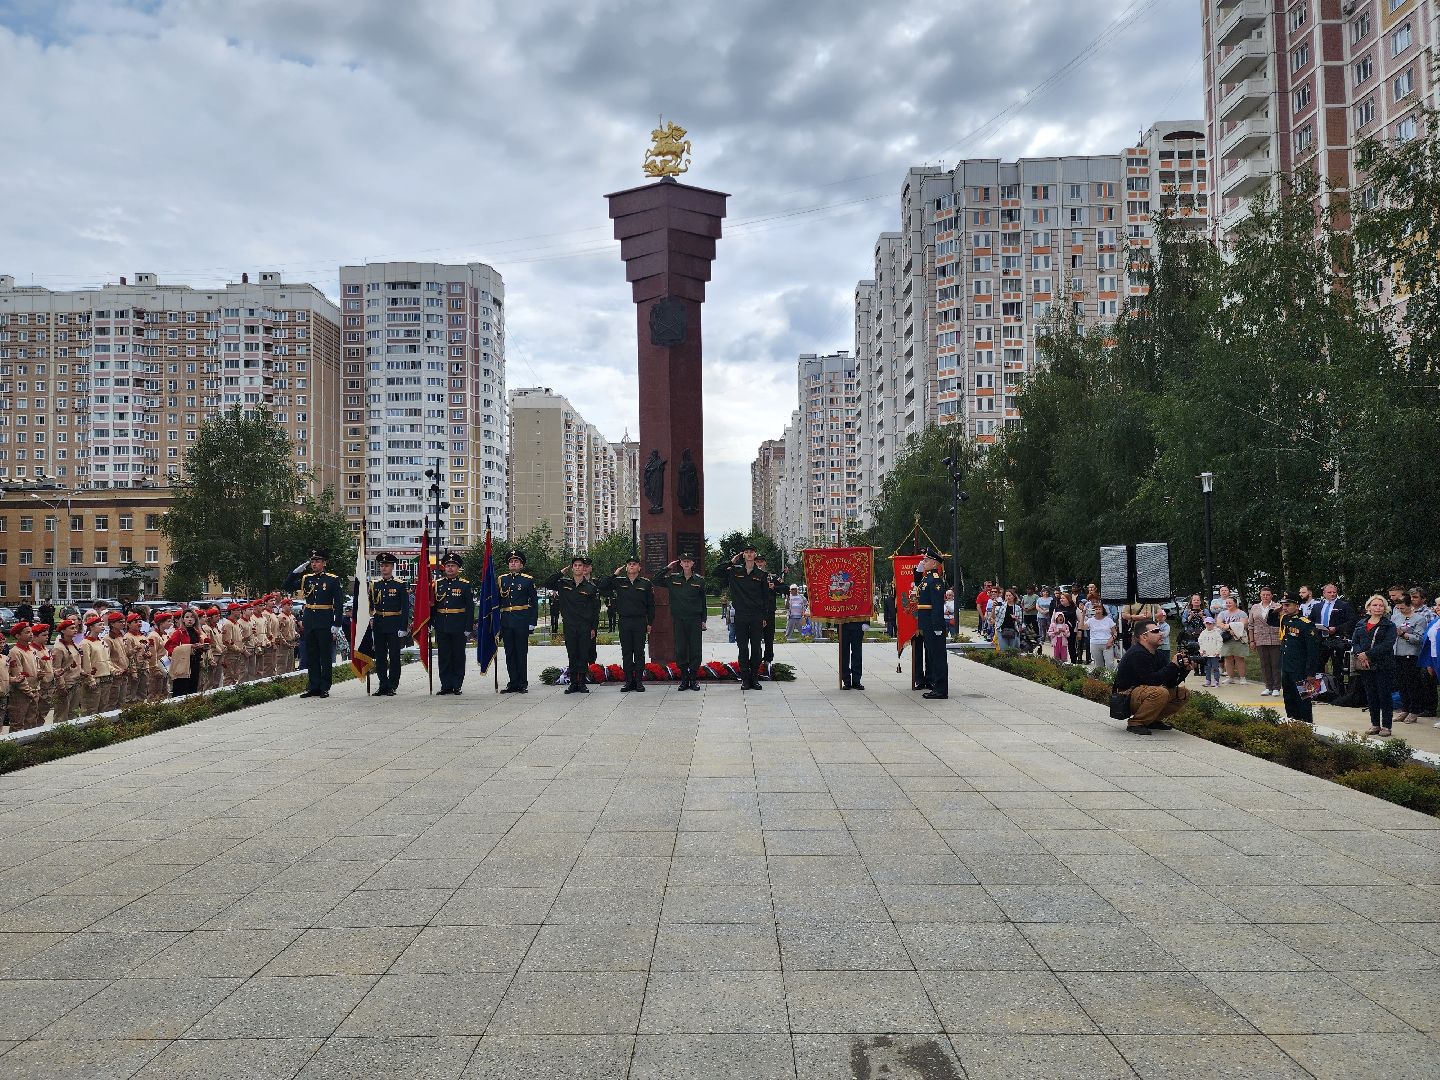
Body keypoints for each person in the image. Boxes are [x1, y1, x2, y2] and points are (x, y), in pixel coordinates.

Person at [283, 550, 345, 699]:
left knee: (325, 655)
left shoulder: (332, 579)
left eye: (317, 561)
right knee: (312, 655)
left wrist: (337, 623)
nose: (314, 564)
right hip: (310, 621)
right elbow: (287, 586)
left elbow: (339, 603)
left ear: (324, 563)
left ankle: (324, 686)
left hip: (325, 621)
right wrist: (296, 571)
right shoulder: (307, 578)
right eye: (312, 562)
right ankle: (313, 686)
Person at [1114, 618, 1193, 735]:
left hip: (1143, 692)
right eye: (1155, 631)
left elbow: (1170, 682)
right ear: (1143, 637)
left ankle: (1152, 719)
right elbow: (1152, 680)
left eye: (1160, 630)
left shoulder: (1158, 654)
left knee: (1182, 694)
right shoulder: (1137, 653)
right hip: (1125, 696)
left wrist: (1183, 670)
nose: (1160, 633)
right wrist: (1173, 665)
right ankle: (1136, 723)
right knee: (1160, 692)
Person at [719, 543, 774, 690]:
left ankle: (754, 677)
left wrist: (764, 617)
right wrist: (732, 561)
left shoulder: (761, 575)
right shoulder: (735, 571)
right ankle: (745, 679)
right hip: (741, 615)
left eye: (752, 552)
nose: (749, 554)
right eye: (747, 552)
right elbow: (717, 572)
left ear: (755, 555)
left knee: (756, 648)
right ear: (743, 555)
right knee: (742, 648)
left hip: (756, 616)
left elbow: (765, 598)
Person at [545, 556, 602, 694]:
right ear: (572, 568)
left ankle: (582, 683)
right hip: (570, 625)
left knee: (583, 654)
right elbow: (547, 583)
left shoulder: (591, 587)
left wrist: (593, 628)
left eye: (580, 565)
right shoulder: (564, 584)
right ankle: (573, 683)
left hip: (585, 626)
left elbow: (595, 610)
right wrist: (560, 573)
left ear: (584, 569)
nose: (577, 567)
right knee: (572, 653)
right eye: (575, 565)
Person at [599, 555, 656, 692]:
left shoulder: (645, 583)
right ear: (626, 567)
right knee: (626, 652)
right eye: (629, 564)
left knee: (639, 652)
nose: (632, 566)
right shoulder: (619, 582)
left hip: (639, 621)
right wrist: (614, 574)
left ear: (639, 567)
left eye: (634, 564)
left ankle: (638, 682)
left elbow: (651, 605)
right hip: (624, 620)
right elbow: (601, 586)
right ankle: (629, 680)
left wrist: (650, 622)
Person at [654, 554, 708, 690]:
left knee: (695, 649)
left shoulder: (699, 581)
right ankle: (684, 678)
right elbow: (655, 580)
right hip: (679, 619)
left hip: (695, 619)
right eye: (684, 561)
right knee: (681, 648)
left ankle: (693, 679)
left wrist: (703, 620)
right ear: (681, 564)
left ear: (693, 563)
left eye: (689, 561)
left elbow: (703, 602)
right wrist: (667, 568)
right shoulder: (673, 579)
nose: (687, 563)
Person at [1351, 594, 1397, 737]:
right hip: (1365, 666)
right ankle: (1375, 724)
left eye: (1381, 605)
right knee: (1371, 695)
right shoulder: (1361, 624)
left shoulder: (1389, 625)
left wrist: (1368, 655)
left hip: (1383, 664)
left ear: (1385, 608)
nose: (1378, 607)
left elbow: (1388, 644)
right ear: (1368, 607)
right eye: (1375, 605)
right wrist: (1360, 654)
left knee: (1384, 695)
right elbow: (1355, 642)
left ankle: (1387, 726)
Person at [429, 552, 474, 695]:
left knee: (458, 656)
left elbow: (470, 608)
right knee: (444, 656)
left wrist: (468, 627)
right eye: (448, 566)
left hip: (459, 625)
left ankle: (457, 684)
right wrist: (430, 622)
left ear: (458, 568)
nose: (450, 568)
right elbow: (432, 606)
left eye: (453, 566)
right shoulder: (437, 584)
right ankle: (445, 685)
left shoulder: (465, 585)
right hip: (442, 625)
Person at [367, 552, 410, 697]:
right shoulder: (374, 584)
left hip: (394, 623)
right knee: (380, 656)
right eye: (382, 565)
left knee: (394, 656)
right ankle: (382, 684)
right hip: (379, 624)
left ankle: (392, 685)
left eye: (387, 565)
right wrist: (369, 618)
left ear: (392, 567)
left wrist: (403, 627)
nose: (384, 568)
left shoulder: (399, 585)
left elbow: (405, 608)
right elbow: (370, 605)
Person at [497, 549, 539, 694]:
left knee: (521, 652)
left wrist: (532, 621)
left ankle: (522, 682)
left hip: (521, 620)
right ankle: (512, 682)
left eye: (516, 561)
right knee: (509, 653)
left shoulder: (527, 580)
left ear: (521, 565)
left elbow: (534, 602)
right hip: (506, 621)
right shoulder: (502, 579)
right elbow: (497, 602)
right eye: (511, 561)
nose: (513, 563)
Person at [1278, 592, 1322, 724]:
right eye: (1283, 605)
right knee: (1289, 698)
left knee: (1303, 700)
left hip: (1301, 670)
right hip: (1287, 667)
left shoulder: (1306, 624)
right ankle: (1292, 722)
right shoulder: (1286, 620)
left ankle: (1306, 725)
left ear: (1297, 606)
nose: (1284, 608)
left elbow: (1313, 651)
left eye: (1287, 605)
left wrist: (1310, 673)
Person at [912, 547, 949, 699]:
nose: (923, 562)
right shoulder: (927, 579)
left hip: (933, 625)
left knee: (938, 657)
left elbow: (937, 605)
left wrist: (937, 626)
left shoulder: (936, 581)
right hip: (927, 623)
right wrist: (918, 570)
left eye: (926, 561)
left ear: (934, 563)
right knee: (933, 656)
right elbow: (919, 586)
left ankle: (941, 690)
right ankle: (936, 686)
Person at [1391, 592, 1430, 725]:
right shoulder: (1396, 617)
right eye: (1399, 608)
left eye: (1403, 608)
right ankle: (1405, 708)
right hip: (1397, 653)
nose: (1400, 611)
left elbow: (1419, 639)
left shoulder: (1419, 619)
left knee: (1412, 683)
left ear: (1410, 606)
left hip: (1411, 654)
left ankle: (1414, 711)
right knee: (1401, 683)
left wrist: (1403, 634)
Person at [1313, 583, 1356, 694]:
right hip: (1320, 639)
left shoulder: (1343, 605)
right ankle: (1318, 691)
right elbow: (1310, 621)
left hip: (1337, 639)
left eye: (1334, 592)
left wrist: (1337, 628)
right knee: (1317, 664)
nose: (1332, 594)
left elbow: (1352, 621)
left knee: (1337, 666)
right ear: (1323, 593)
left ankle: (1338, 692)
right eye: (1329, 592)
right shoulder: (1317, 606)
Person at [1247, 587, 1283, 697]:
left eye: (1268, 594)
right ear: (1260, 595)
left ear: (1272, 595)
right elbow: (1250, 625)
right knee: (1264, 663)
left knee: (1276, 664)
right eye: (1263, 595)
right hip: (1260, 639)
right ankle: (1268, 686)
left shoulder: (1277, 606)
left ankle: (1277, 687)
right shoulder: (1255, 607)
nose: (1265, 596)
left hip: (1275, 638)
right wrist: (1252, 640)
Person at [6, 623, 42, 731]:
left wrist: (39, 674)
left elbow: (36, 667)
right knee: (18, 722)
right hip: (21, 694)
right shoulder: (15, 652)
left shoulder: (32, 650)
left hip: (34, 690)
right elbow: (18, 675)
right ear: (17, 636)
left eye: (31, 632)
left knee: (31, 721)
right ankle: (16, 747)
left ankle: (29, 746)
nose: (31, 634)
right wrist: (29, 692)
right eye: (27, 632)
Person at [166, 608, 208, 697]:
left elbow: (198, 648)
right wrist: (189, 647)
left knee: (193, 690)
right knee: (181, 690)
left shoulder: (197, 632)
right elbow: (170, 649)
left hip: (195, 663)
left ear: (195, 619)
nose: (190, 619)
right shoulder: (178, 633)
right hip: (183, 665)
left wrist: (202, 648)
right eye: (187, 617)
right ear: (183, 619)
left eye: (192, 617)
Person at [50, 618, 84, 726]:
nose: (75, 630)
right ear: (63, 631)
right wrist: (61, 686)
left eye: (76, 628)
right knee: (61, 715)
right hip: (65, 685)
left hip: (76, 682)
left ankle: (72, 736)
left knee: (73, 713)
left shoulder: (74, 645)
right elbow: (56, 669)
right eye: (72, 628)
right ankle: (60, 738)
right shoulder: (58, 648)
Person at [1215, 595, 1249, 685]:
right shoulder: (1222, 613)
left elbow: (1243, 624)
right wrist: (1228, 628)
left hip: (1238, 638)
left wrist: (1229, 626)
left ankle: (1242, 677)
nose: (1228, 604)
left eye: (1230, 602)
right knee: (1227, 657)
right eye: (1226, 603)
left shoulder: (1241, 613)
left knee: (1239, 657)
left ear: (1235, 603)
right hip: (1226, 638)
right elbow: (1219, 623)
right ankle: (1230, 677)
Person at [755, 554, 781, 670]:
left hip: (769, 611)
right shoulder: (751, 576)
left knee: (769, 637)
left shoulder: (771, 577)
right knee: (755, 638)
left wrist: (774, 587)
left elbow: (786, 588)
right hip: (756, 611)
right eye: (757, 561)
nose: (759, 563)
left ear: (765, 563)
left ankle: (768, 660)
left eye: (761, 561)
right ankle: (757, 660)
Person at [1084, 601, 1118, 671]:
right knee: (1098, 666)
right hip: (1095, 644)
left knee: (1110, 665)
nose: (1098, 611)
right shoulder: (1090, 620)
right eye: (1096, 609)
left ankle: (1111, 679)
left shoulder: (1109, 620)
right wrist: (1082, 615)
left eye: (1100, 609)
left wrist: (1111, 640)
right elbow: (1082, 627)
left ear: (1103, 610)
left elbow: (1115, 633)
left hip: (1107, 643)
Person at [1198, 616, 1223, 686]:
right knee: (1207, 668)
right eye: (1207, 623)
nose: (1208, 625)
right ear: (1205, 624)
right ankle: (1207, 680)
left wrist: (1218, 651)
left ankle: (1216, 680)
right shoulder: (1203, 633)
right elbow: (1200, 642)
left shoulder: (1217, 633)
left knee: (1215, 668)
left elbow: (1220, 642)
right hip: (1206, 654)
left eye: (1210, 623)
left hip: (1214, 654)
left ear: (1213, 624)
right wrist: (1201, 650)